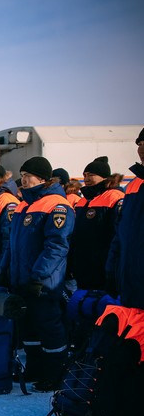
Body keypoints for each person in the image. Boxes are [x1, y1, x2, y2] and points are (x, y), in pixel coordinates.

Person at [2, 156, 74, 391]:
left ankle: (55, 373)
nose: (22, 181)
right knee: (29, 327)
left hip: (44, 282)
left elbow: (56, 246)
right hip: (22, 279)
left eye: (27, 177)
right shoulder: (25, 204)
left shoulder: (57, 204)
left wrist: (39, 277)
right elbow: (14, 245)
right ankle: (34, 368)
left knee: (48, 327)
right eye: (21, 177)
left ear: (42, 178)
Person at [68, 157, 123, 291]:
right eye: (85, 175)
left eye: (91, 175)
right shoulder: (83, 201)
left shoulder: (114, 197)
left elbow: (118, 236)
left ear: (104, 177)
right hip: (84, 267)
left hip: (103, 267)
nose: (86, 178)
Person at [106, 127, 144, 308]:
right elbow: (121, 233)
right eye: (140, 144)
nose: (142, 150)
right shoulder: (134, 185)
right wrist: (112, 270)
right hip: (131, 280)